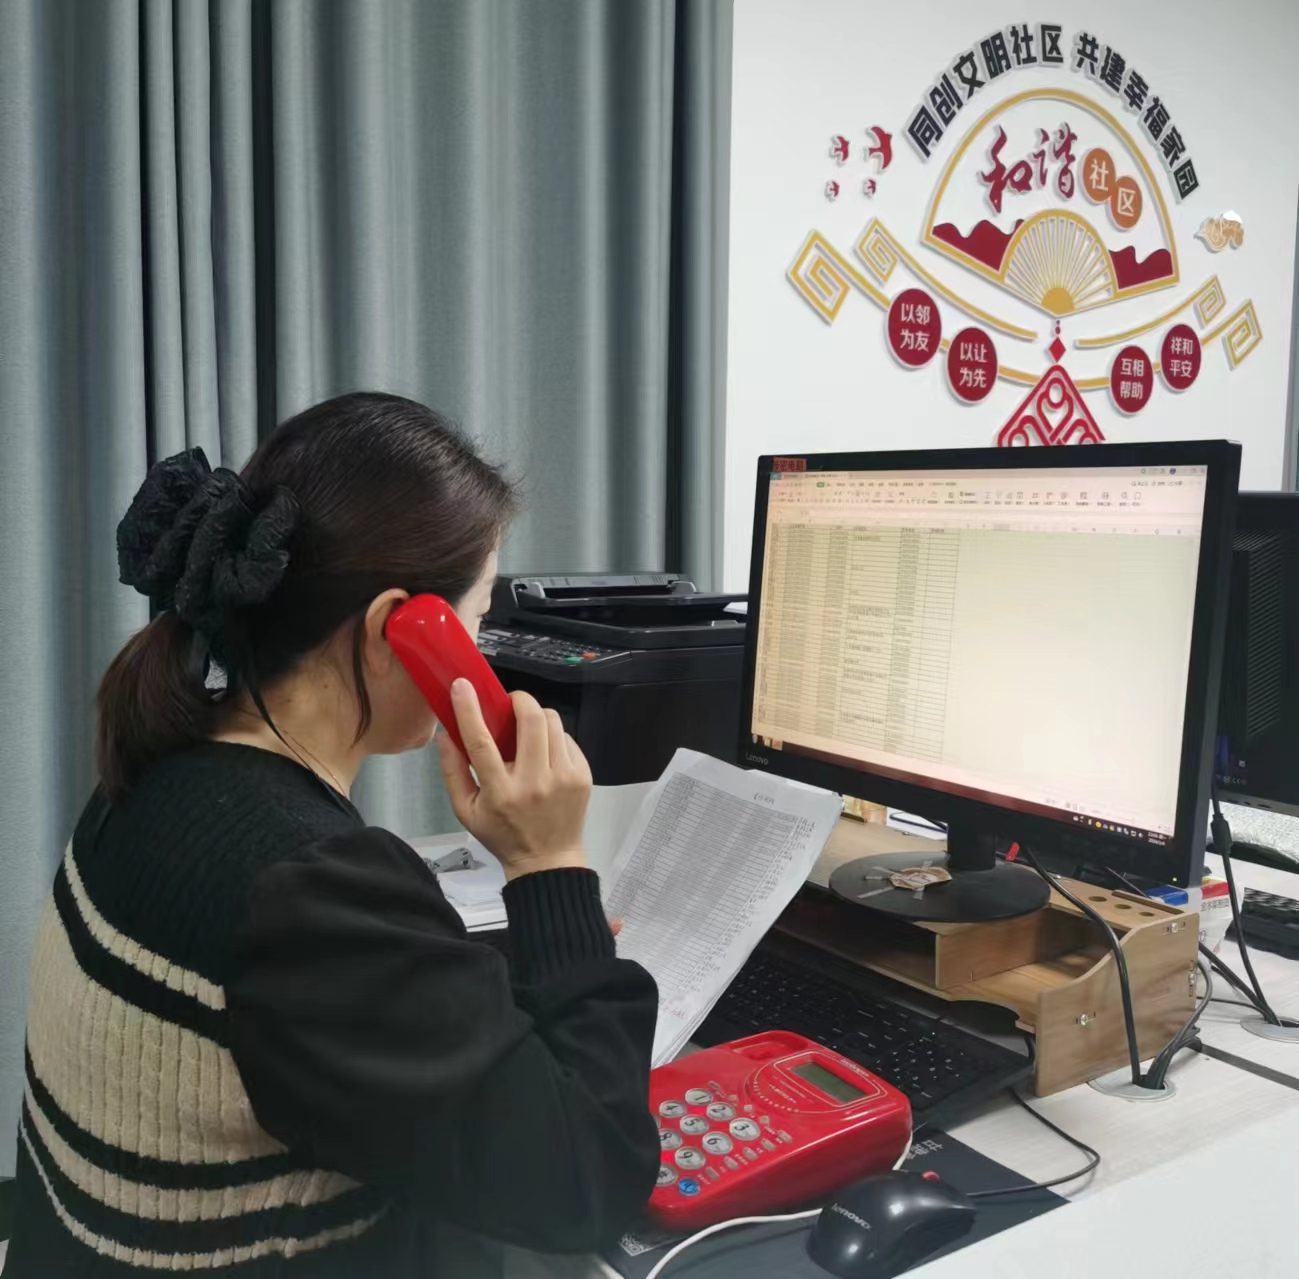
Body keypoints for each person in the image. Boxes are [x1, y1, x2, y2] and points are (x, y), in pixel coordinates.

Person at [6, 392, 660, 1277]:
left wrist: (463, 973)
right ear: (400, 631)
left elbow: (292, 1002)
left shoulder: (160, 771)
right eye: (475, 619)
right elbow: (590, 1179)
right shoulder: (308, 885)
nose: (482, 650)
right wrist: (548, 864)